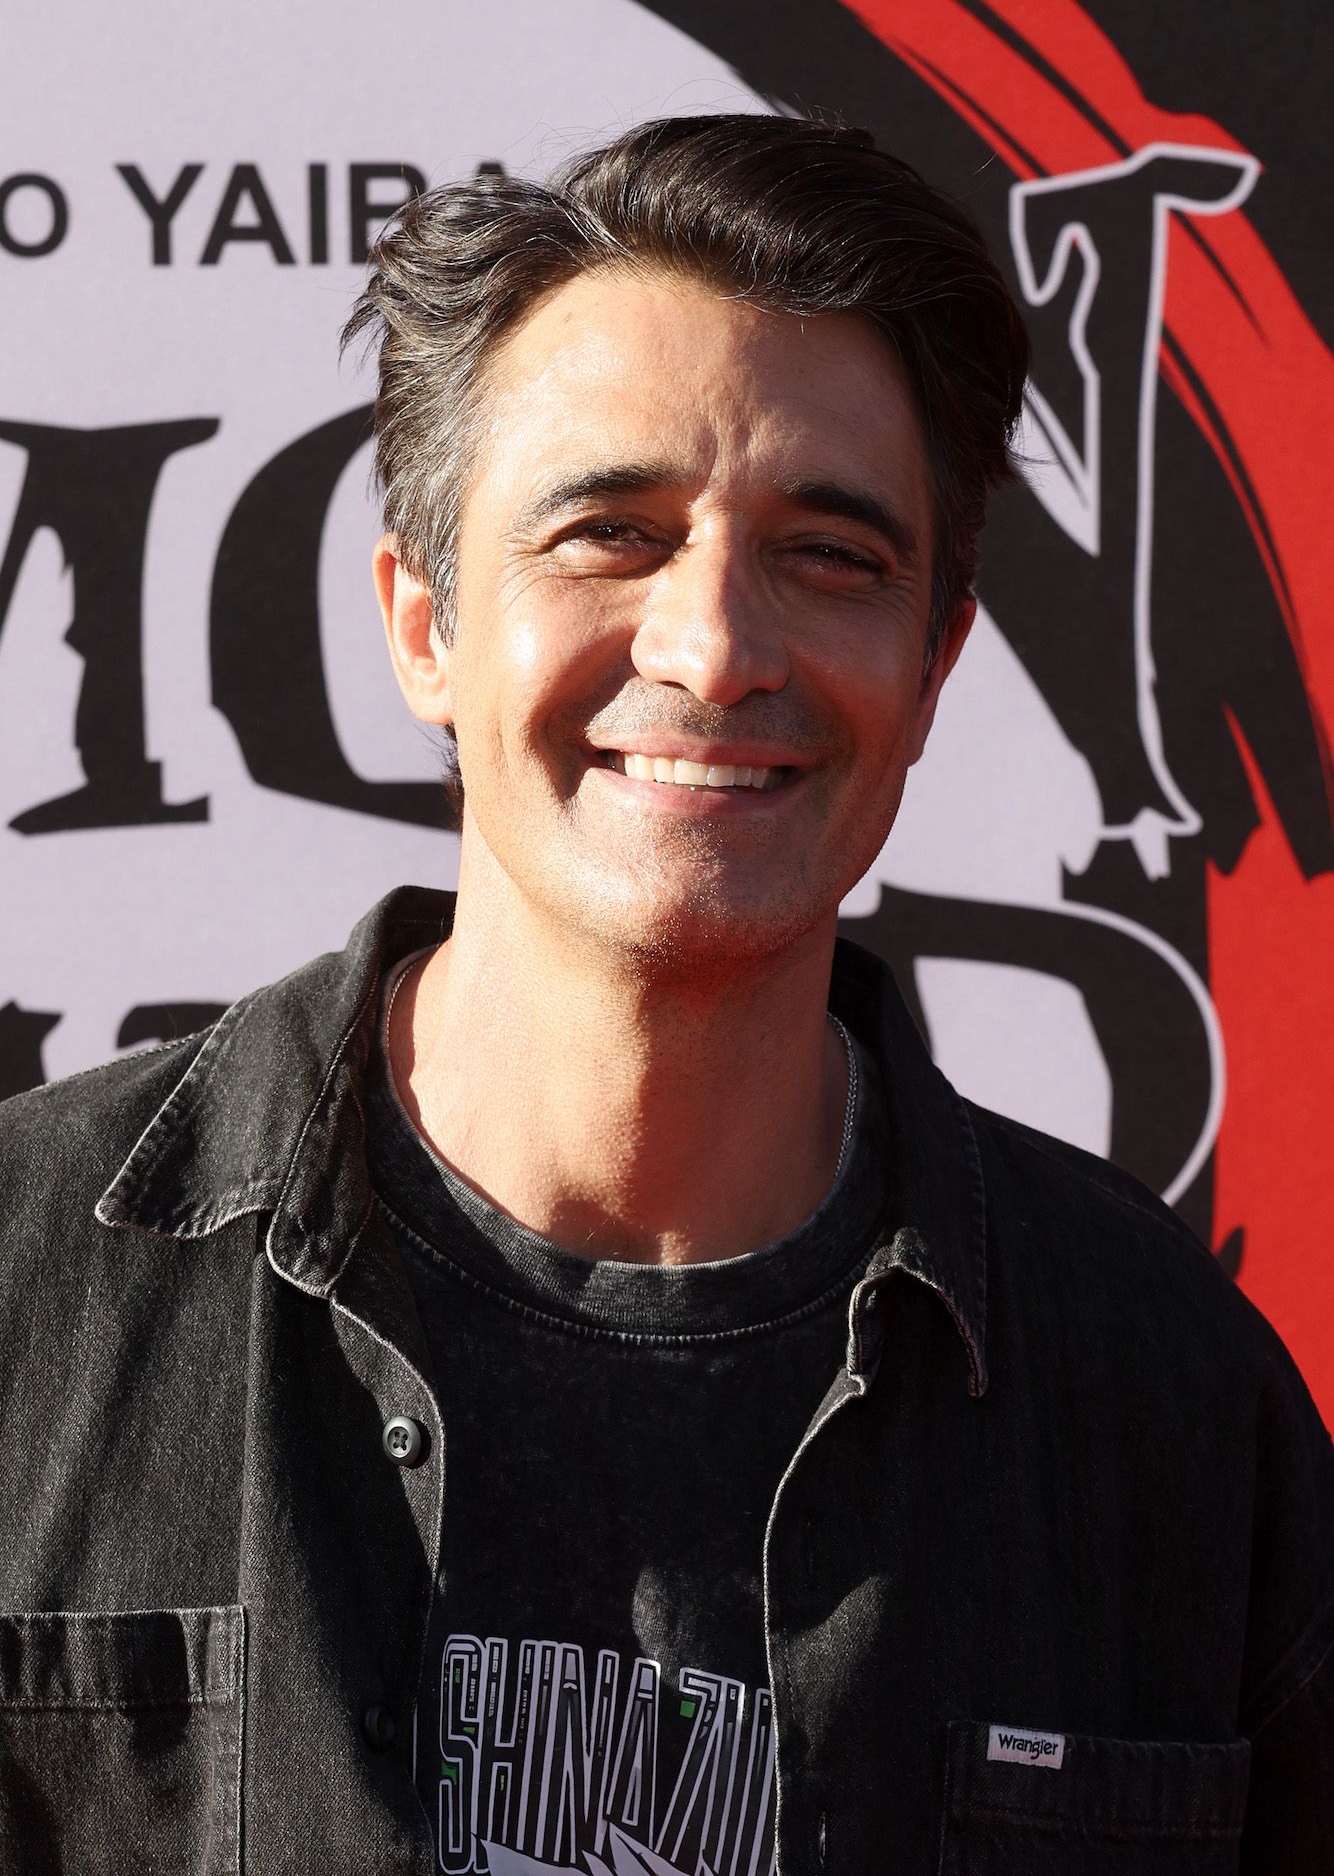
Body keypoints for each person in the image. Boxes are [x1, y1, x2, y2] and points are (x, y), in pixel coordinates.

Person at [0, 115, 1329, 1876]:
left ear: (932, 665)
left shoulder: (1173, 1408)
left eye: (831, 556)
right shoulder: (24, 1299)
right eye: (608, 534)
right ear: (422, 626)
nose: (715, 648)